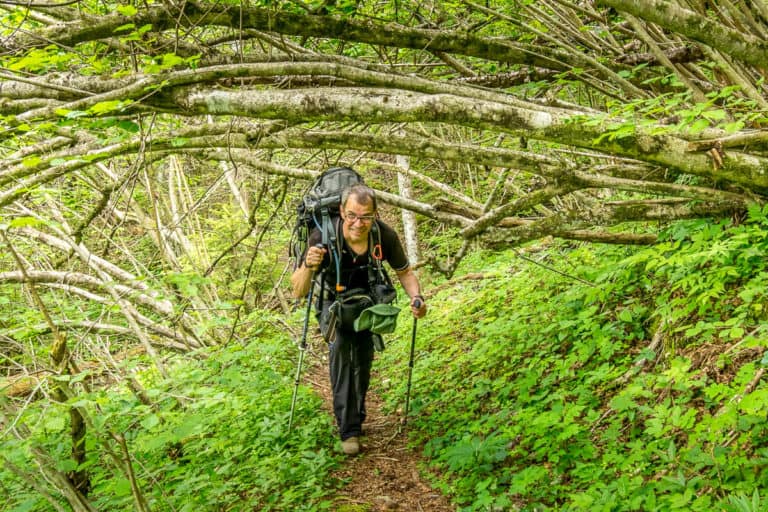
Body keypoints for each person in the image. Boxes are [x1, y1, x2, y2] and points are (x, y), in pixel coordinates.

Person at [291, 183, 427, 455]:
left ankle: (358, 414)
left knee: (363, 358)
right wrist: (308, 263)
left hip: (367, 304)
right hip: (332, 304)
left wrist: (417, 298)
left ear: (375, 215)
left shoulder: (383, 235)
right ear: (342, 211)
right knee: (341, 351)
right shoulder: (323, 235)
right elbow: (298, 290)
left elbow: (405, 272)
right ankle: (348, 430)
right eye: (352, 215)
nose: (358, 223)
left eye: (365, 216)